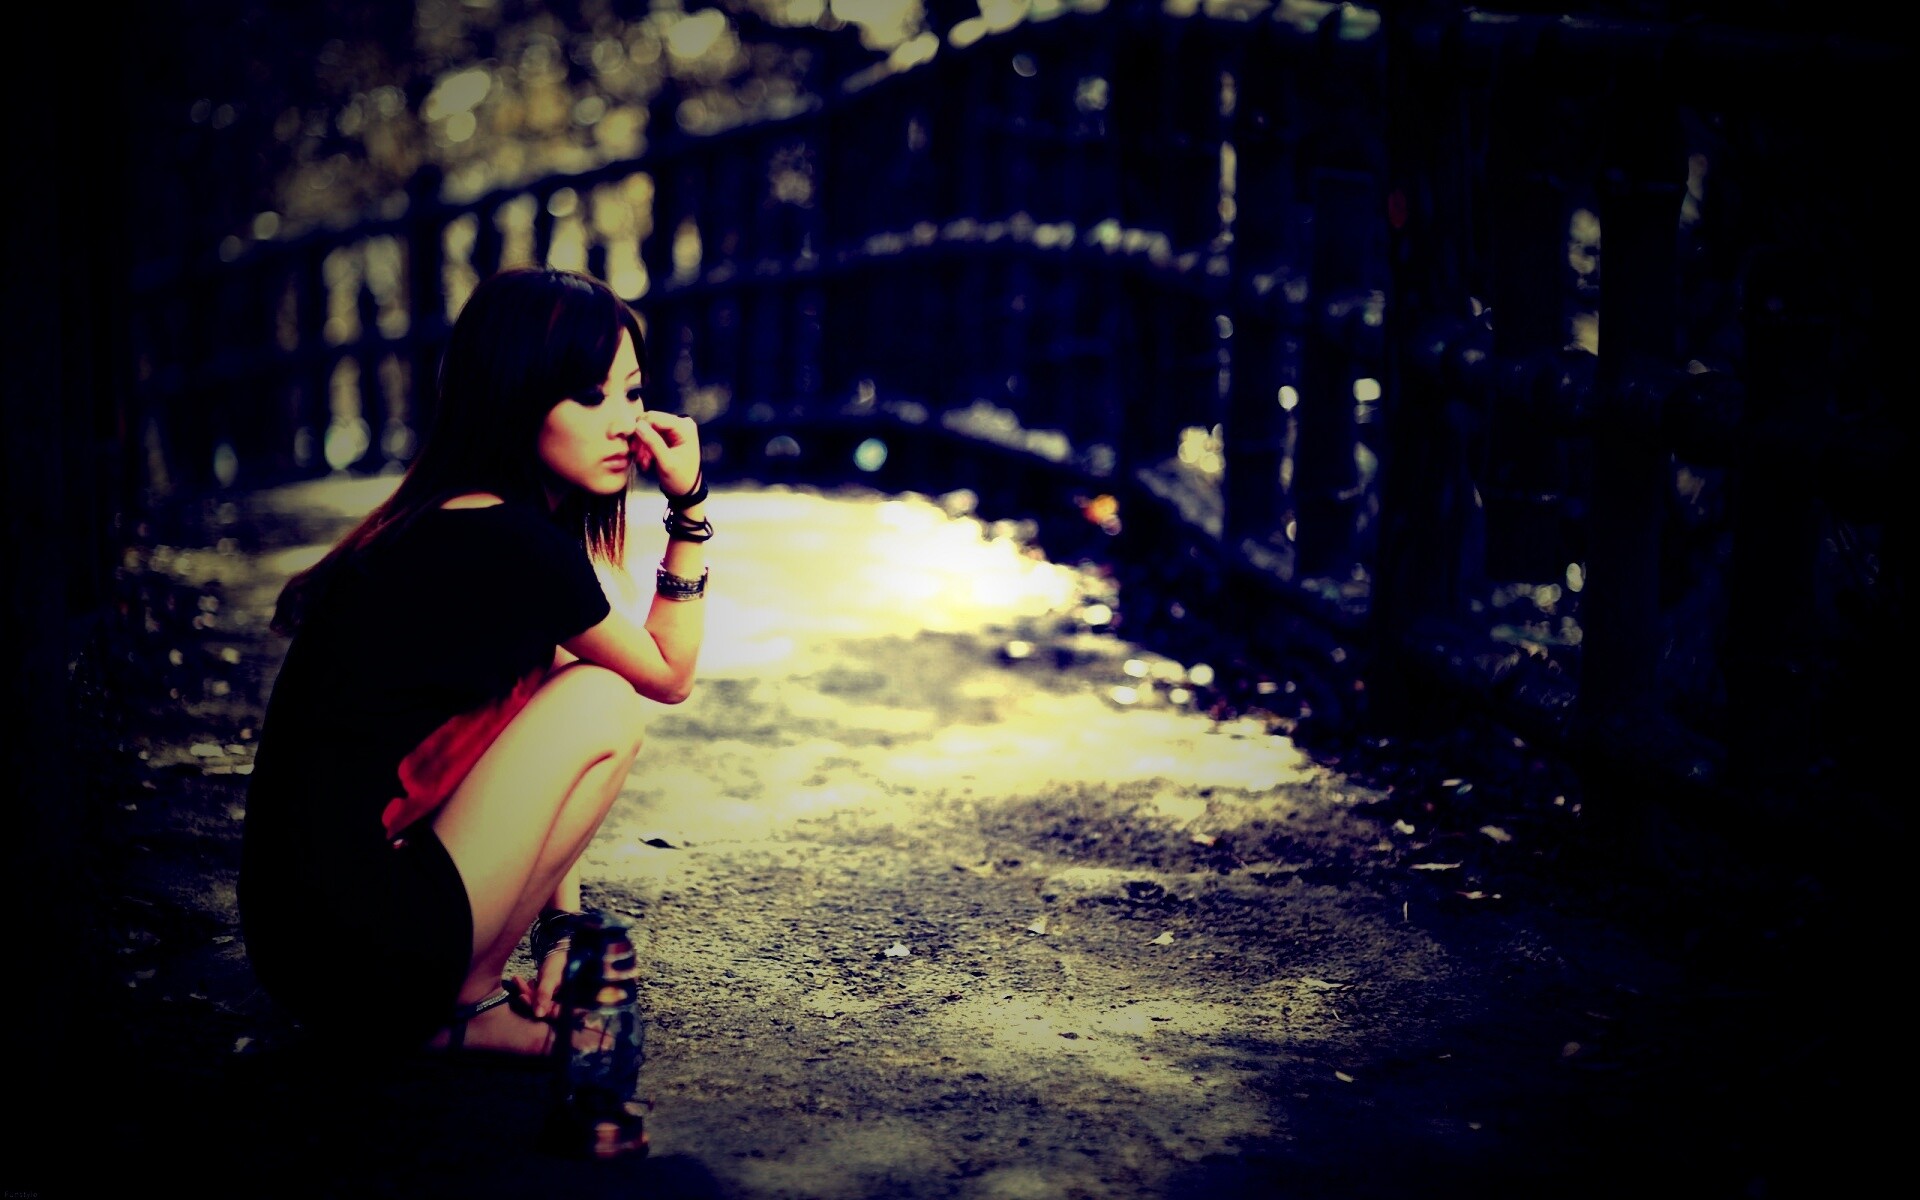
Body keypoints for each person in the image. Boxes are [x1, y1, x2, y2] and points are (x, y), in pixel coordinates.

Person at [237, 266, 710, 1089]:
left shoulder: (458, 520)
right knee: (606, 699)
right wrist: (691, 510)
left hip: (309, 952)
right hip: (359, 945)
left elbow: (532, 753)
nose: (623, 423)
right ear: (515, 396)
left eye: (632, 394)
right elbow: (668, 674)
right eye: (588, 396)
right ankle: (460, 1007)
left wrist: (562, 929)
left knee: (581, 684)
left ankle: (455, 1002)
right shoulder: (507, 542)